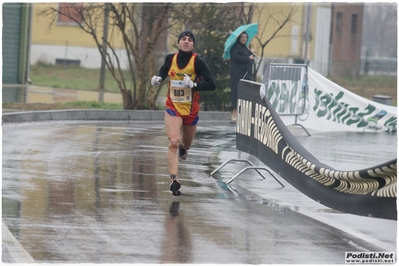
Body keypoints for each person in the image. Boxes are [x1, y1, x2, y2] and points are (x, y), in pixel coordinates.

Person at [151, 30, 216, 196]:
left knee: (185, 145)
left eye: (189, 40)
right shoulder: (170, 58)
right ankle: (174, 179)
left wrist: (194, 85)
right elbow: (164, 70)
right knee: (173, 141)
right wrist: (158, 78)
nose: (186, 42)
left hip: (191, 110)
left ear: (193, 45)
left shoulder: (198, 62)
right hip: (173, 107)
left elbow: (212, 84)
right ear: (178, 43)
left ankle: (183, 148)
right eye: (183, 39)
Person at [229, 32, 255, 122]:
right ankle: (234, 114)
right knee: (236, 93)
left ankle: (243, 114)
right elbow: (236, 58)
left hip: (246, 75)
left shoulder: (246, 48)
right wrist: (248, 58)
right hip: (238, 75)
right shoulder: (235, 48)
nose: (244, 39)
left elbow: (250, 58)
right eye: (242, 37)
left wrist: (251, 53)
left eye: (245, 37)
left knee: (245, 94)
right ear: (239, 38)